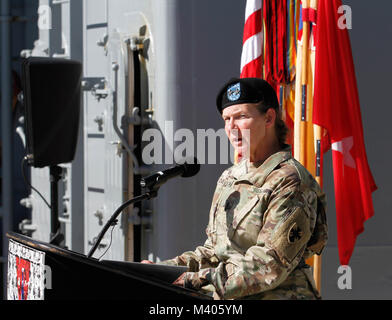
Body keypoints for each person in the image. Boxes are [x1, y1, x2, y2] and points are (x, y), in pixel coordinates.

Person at [143, 77, 328, 300]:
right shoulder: (230, 178)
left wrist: (196, 280)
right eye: (226, 119)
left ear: (269, 118)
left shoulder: (290, 180)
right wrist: (162, 270)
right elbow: (215, 252)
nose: (231, 127)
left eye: (241, 117)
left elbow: (269, 263)